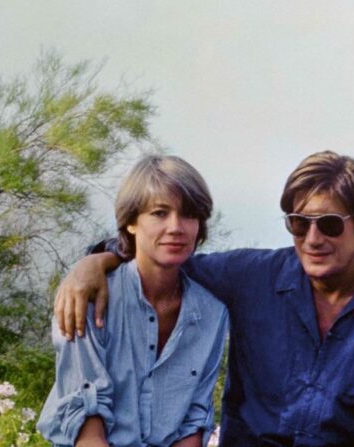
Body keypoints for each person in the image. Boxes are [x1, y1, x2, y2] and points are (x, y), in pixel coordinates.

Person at [55, 151, 354, 446]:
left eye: (330, 225)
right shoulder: (251, 277)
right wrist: (96, 261)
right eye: (299, 224)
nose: (313, 239)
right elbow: (166, 258)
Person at [37, 155, 229, 447]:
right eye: (159, 213)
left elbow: (194, 420)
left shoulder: (212, 311)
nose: (176, 227)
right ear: (131, 222)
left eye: (188, 214)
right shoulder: (88, 297)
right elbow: (87, 425)